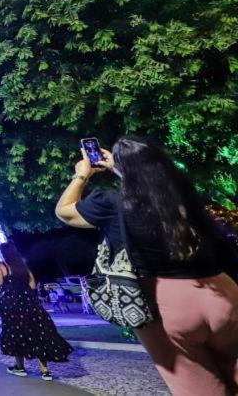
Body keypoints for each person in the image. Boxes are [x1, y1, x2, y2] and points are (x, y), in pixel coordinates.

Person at [55, 136, 238, 395]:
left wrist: (82, 175)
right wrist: (121, 168)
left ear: (122, 169)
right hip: (222, 290)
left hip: (166, 304)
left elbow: (64, 211)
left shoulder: (112, 202)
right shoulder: (184, 195)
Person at [0, 241, 72, 382]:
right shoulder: (23, 266)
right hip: (29, 303)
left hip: (12, 305)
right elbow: (33, 285)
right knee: (37, 333)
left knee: (16, 333)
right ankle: (45, 371)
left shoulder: (1, 266)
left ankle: (20, 367)